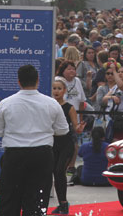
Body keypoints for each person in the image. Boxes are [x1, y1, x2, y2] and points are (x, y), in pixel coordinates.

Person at [0, 65, 69, 216]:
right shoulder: (51, 103)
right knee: (37, 202)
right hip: (42, 155)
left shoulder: (6, 103)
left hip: (14, 155)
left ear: (18, 82)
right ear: (38, 80)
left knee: (9, 201)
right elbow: (62, 130)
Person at [49, 79, 84, 215]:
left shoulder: (69, 107)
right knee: (54, 173)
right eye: (54, 88)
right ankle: (62, 204)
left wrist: (79, 128)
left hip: (66, 144)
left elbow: (76, 127)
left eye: (59, 88)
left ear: (64, 91)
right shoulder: (49, 105)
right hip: (52, 143)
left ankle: (63, 204)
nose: (56, 91)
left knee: (59, 172)